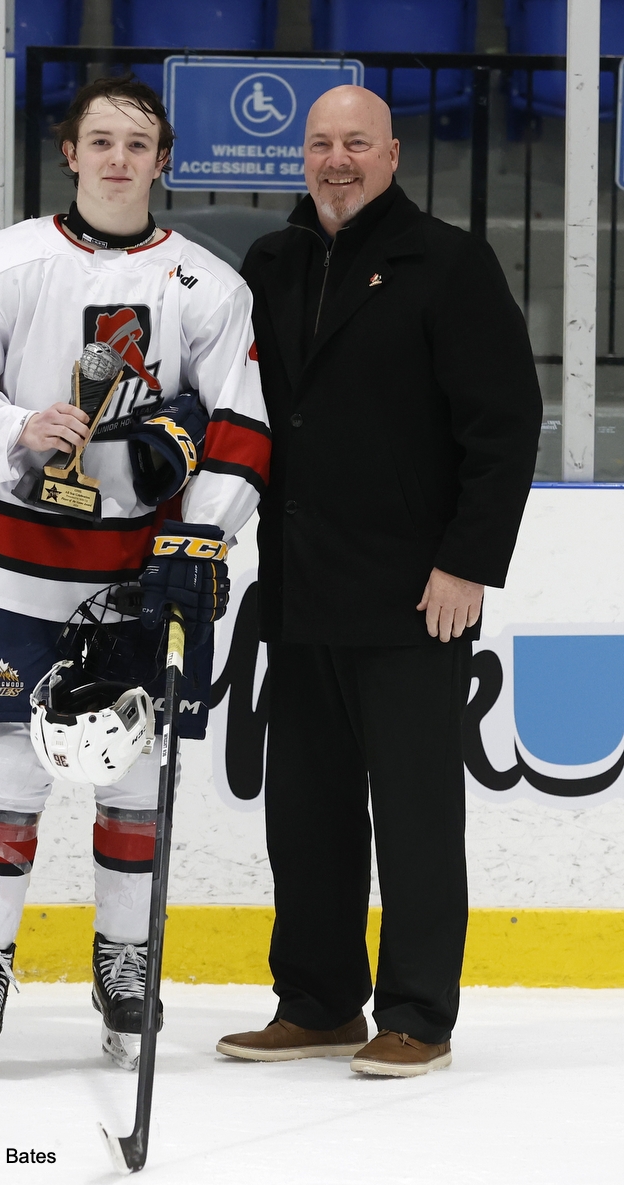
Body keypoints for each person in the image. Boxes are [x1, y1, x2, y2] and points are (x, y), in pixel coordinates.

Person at [0, 75, 271, 1072]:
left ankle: (124, 962)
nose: (117, 158)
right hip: (17, 563)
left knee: (133, 772)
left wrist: (199, 535)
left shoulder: (209, 286)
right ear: (68, 152)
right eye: (99, 140)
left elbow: (240, 426)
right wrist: (17, 427)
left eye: (137, 143)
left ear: (163, 159)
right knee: (3, 768)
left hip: (135, 574)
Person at [217, 86, 542, 1076]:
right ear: (300, 158)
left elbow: (504, 425)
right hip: (302, 587)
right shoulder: (270, 263)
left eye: (356, 142)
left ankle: (416, 1015)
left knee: (412, 815)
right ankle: (316, 1002)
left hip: (415, 594)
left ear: (393, 153)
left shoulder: (446, 263)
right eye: (320, 144)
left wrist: (466, 563)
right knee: (304, 813)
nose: (336, 159)